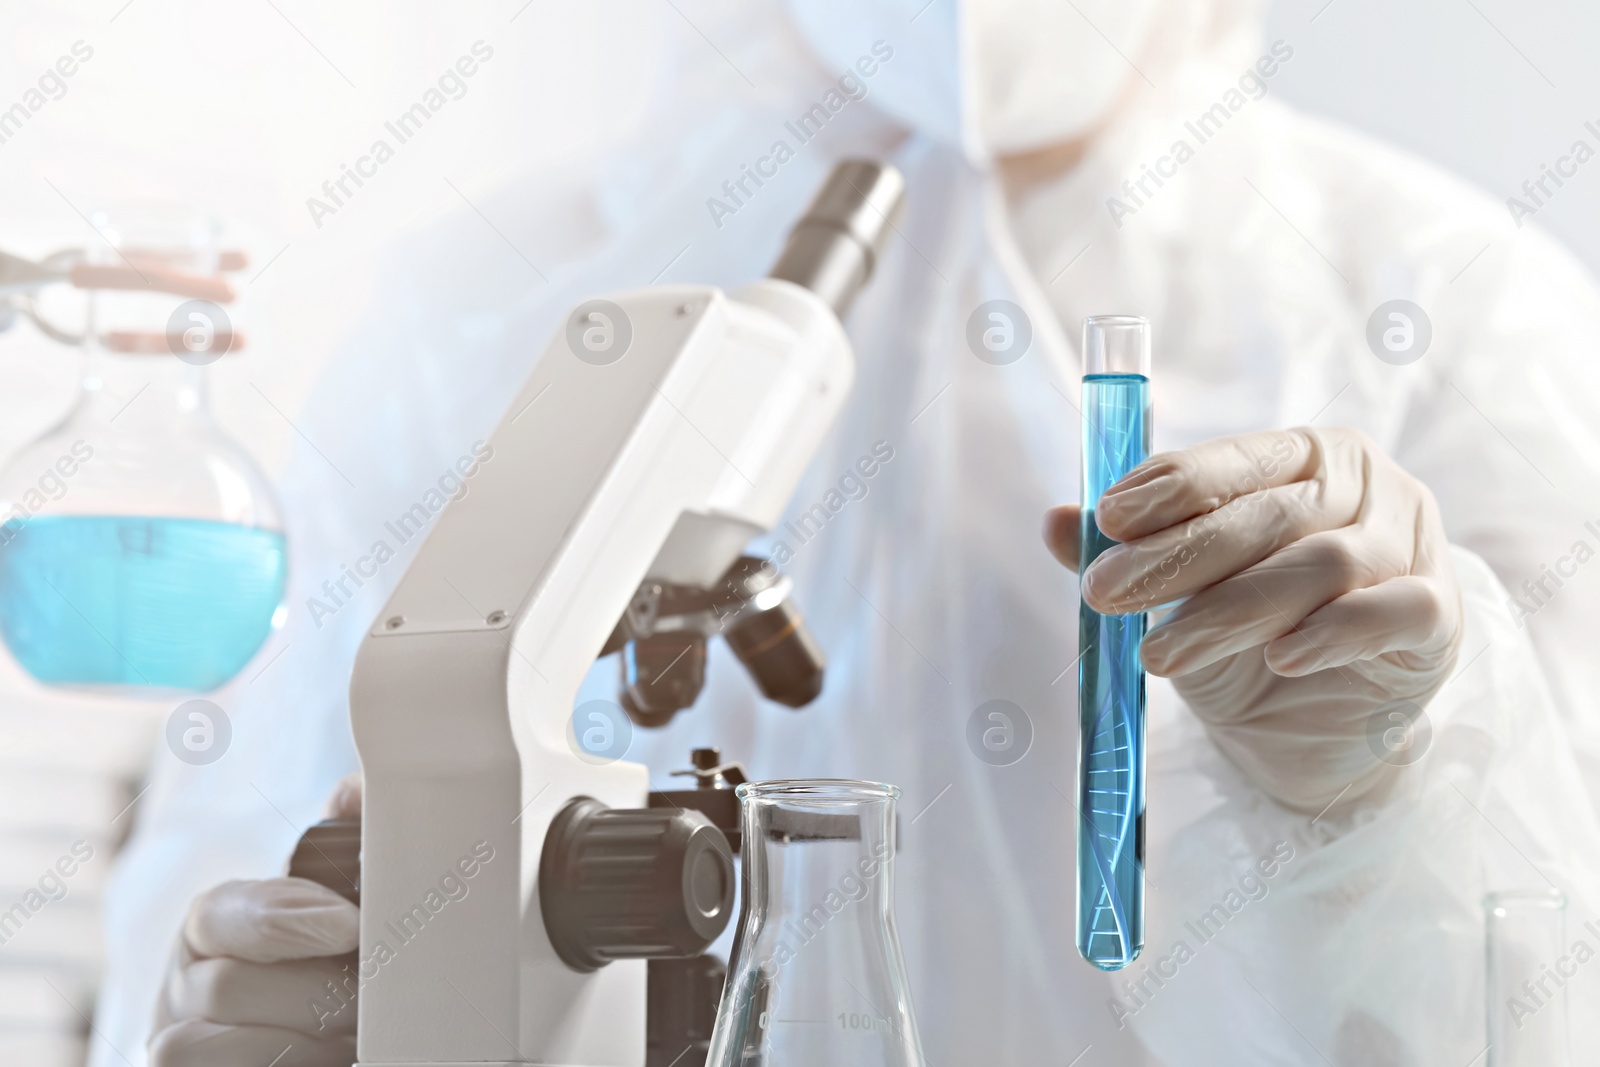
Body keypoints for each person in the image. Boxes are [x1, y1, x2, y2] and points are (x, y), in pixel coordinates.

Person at [100, 0, 1600, 1064]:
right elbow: (260, 885)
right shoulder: (461, 323)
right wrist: (284, 1012)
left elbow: (1546, 997)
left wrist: (1376, 793)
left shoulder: (1469, 315)